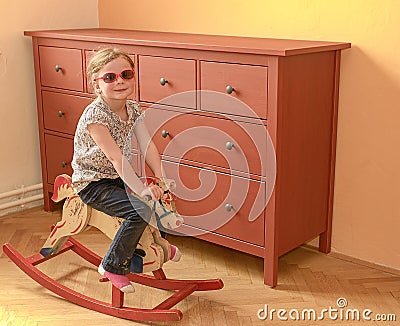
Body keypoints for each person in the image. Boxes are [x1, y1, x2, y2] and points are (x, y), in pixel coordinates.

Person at [71, 48, 180, 293]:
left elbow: (148, 144)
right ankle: (111, 265)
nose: (119, 81)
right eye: (110, 77)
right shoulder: (95, 116)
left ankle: (157, 244)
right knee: (140, 208)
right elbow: (115, 157)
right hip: (93, 182)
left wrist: (161, 179)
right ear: (97, 85)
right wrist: (141, 190)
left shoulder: (133, 108)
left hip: (117, 177)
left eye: (126, 74)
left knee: (158, 197)